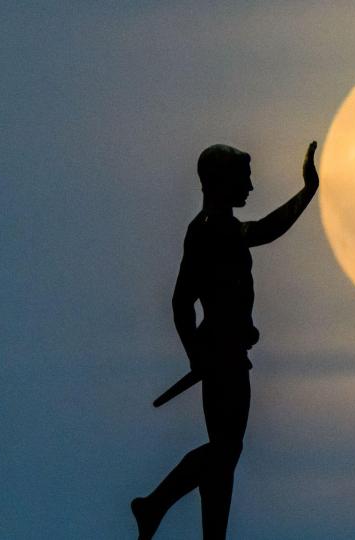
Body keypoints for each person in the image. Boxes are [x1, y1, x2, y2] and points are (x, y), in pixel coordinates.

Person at [131, 141, 320, 539]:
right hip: (222, 355)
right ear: (221, 182)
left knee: (224, 454)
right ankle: (154, 504)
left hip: (226, 352)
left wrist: (196, 353)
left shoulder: (214, 228)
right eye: (244, 179)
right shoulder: (212, 229)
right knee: (225, 451)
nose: (250, 188)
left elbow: (184, 299)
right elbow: (183, 300)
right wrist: (196, 354)